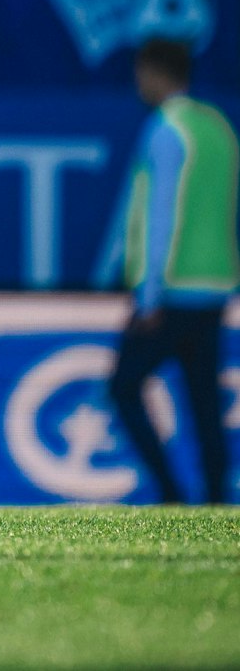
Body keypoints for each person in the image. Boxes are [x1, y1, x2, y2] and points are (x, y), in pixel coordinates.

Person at [108, 38, 237, 504]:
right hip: (215, 284)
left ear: (154, 72)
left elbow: (162, 213)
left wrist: (148, 295)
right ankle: (218, 501)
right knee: (203, 399)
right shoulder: (218, 128)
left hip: (172, 289)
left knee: (123, 388)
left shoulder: (167, 130)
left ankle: (169, 494)